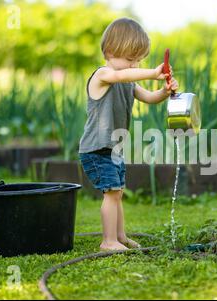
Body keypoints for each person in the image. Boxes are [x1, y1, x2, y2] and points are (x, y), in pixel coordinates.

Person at [78, 17, 179, 252]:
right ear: (111, 51)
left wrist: (164, 91)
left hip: (113, 149)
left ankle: (119, 236)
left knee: (117, 192)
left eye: (138, 60)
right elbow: (119, 76)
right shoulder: (102, 75)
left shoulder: (128, 82)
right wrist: (152, 72)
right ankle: (108, 241)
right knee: (111, 193)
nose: (135, 65)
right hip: (95, 149)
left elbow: (150, 99)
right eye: (131, 59)